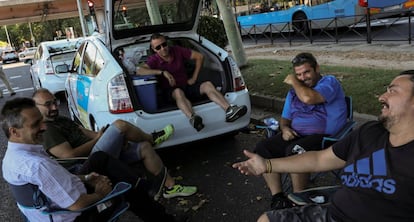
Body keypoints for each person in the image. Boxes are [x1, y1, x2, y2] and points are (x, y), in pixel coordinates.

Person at [233, 70, 414, 222]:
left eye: (393, 91)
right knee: (266, 220)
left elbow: (309, 98)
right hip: (331, 215)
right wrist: (267, 165)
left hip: (319, 137)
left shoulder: (328, 85)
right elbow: (319, 159)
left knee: (295, 147)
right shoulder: (369, 132)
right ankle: (278, 197)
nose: (382, 97)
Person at [1, 97, 180, 222]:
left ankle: (140, 186)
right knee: (127, 190)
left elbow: (54, 180)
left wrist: (86, 178)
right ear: (14, 132)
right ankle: (148, 198)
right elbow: (76, 205)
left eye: (41, 121)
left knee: (100, 158)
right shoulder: (36, 165)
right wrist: (100, 193)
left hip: (52, 204)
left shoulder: (15, 156)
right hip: (78, 215)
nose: (44, 127)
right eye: (35, 125)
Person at [32, 88, 197, 200]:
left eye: (55, 102)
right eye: (48, 105)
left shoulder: (61, 119)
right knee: (120, 125)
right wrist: (101, 139)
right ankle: (152, 138)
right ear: (35, 107)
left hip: (99, 149)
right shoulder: (47, 129)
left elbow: (89, 134)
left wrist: (108, 138)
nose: (54, 107)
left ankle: (170, 187)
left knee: (143, 148)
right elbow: (70, 156)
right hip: (89, 162)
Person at [254, 52, 347, 210]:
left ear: (317, 68)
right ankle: (278, 197)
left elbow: (309, 98)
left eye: (306, 72)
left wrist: (294, 81)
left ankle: (299, 198)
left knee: (295, 151)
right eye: (298, 75)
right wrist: (284, 128)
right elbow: (285, 118)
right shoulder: (293, 93)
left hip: (324, 138)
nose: (303, 77)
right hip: (296, 134)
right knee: (263, 148)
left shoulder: (329, 82)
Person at [136, 33, 247, 131]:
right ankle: (193, 118)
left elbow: (199, 56)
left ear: (167, 43)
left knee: (207, 85)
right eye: (158, 47)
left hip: (187, 85)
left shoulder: (176, 50)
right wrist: (162, 72)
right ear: (154, 49)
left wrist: (194, 78)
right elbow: (140, 71)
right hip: (171, 92)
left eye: (164, 44)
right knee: (178, 92)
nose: (162, 49)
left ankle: (229, 109)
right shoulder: (154, 60)